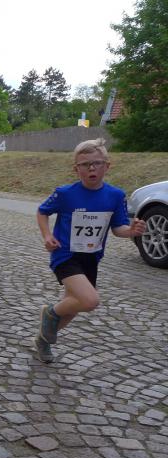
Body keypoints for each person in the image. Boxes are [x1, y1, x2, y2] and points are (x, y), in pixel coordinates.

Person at [34, 138, 145, 363]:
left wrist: (132, 231)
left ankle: (43, 340)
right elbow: (42, 211)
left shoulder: (116, 195)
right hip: (65, 255)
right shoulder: (65, 193)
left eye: (96, 163)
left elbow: (118, 228)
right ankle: (50, 313)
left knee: (72, 308)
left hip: (91, 257)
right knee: (90, 301)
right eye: (84, 165)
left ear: (107, 166)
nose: (91, 168)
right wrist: (47, 235)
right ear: (76, 169)